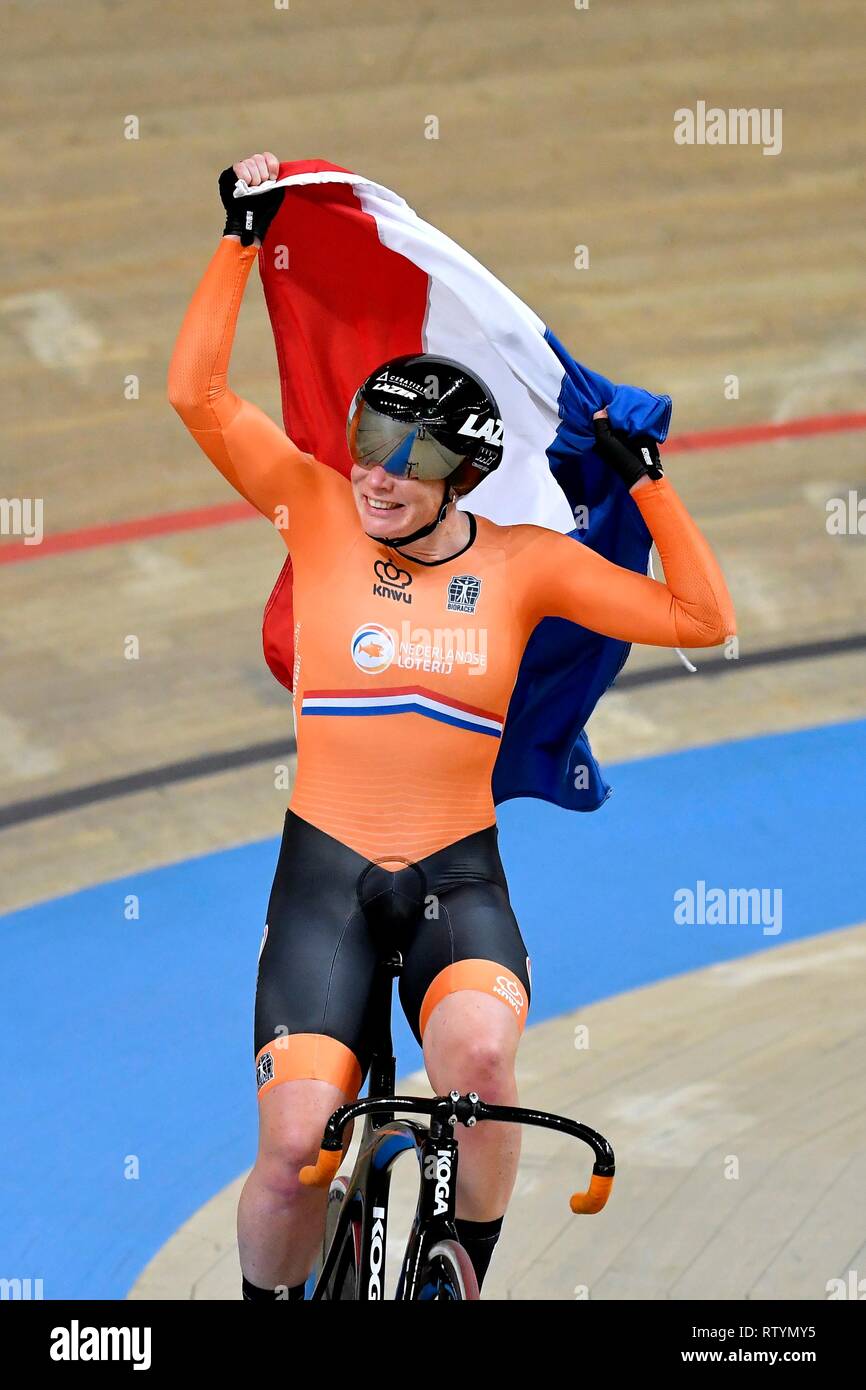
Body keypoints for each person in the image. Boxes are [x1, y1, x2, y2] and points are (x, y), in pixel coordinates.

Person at [167, 150, 736, 1301]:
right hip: (323, 881)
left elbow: (699, 615)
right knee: (293, 1151)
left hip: (451, 875)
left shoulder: (524, 566)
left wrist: (651, 483)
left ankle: (456, 1271)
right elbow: (199, 396)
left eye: (410, 458)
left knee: (475, 1067)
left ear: (463, 477)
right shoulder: (316, 511)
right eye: (371, 441)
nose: (377, 472)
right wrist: (237, 242)